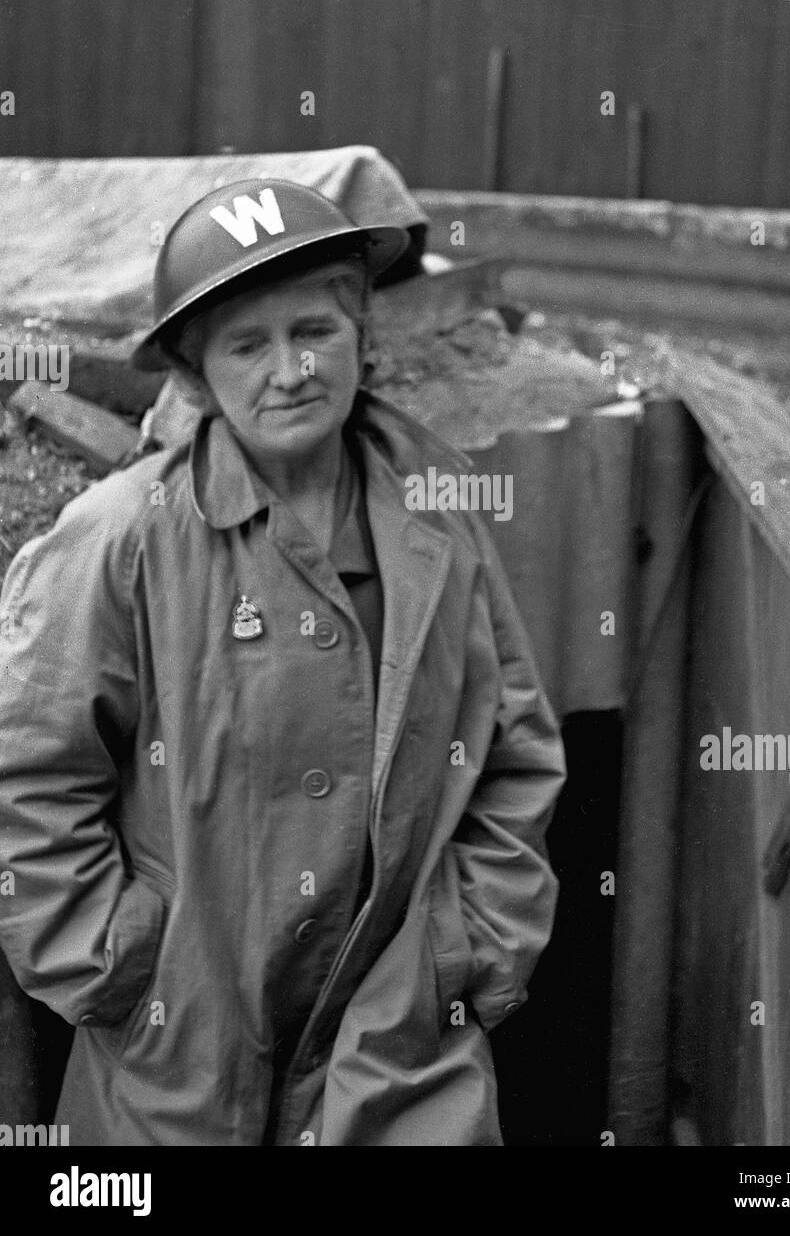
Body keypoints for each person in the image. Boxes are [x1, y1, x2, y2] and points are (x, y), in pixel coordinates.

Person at [0, 179, 566, 1146]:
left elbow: (512, 755)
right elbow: (29, 780)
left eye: (316, 330)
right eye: (246, 345)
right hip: (180, 1055)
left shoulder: (436, 518)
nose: (291, 370)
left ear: (361, 334)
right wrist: (116, 966)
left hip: (399, 1044)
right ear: (193, 374)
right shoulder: (121, 540)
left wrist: (461, 949)